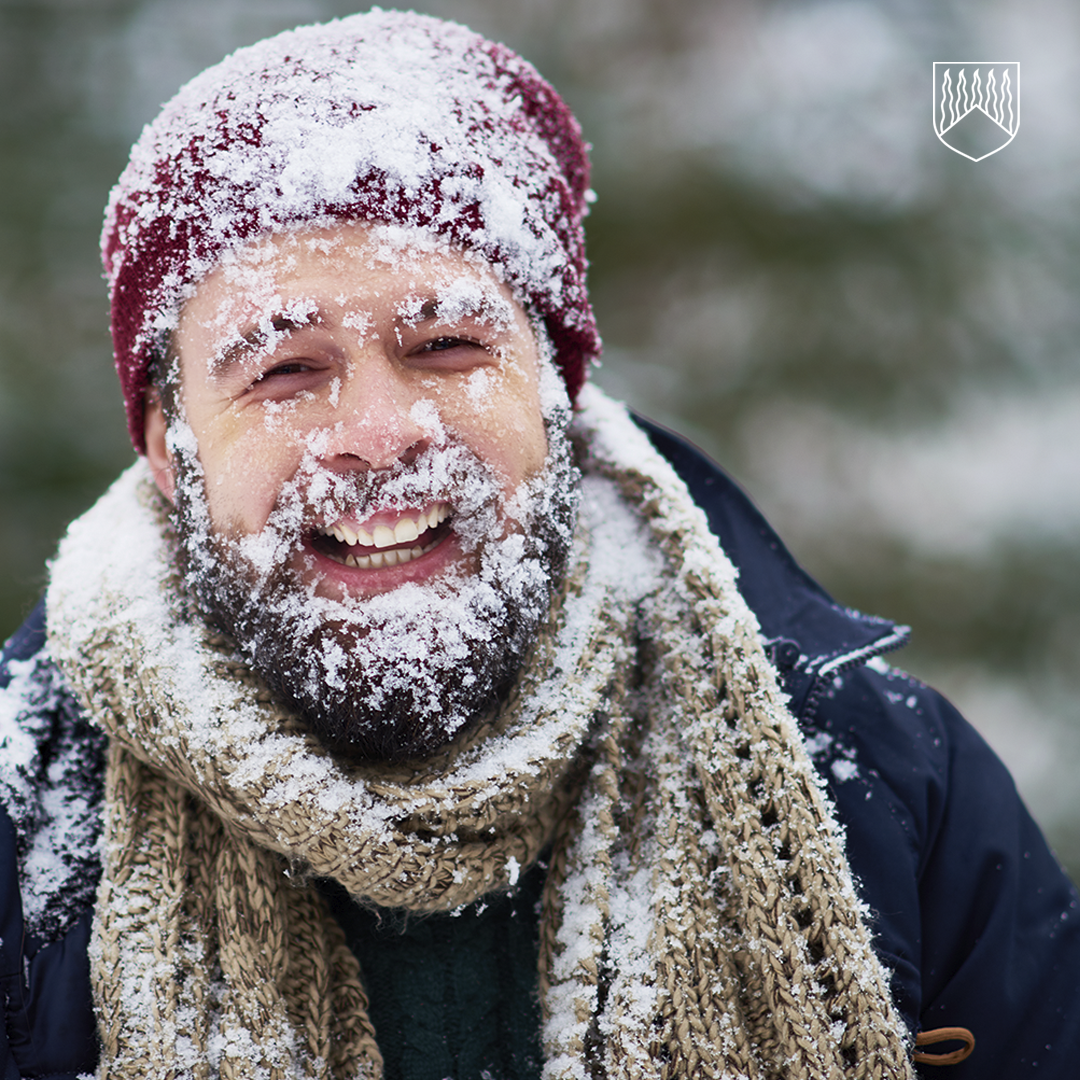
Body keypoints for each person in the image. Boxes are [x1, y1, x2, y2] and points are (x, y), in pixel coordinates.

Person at [0, 11, 1077, 1079]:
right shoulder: (20, 824)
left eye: (447, 347)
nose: (380, 434)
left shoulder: (894, 789)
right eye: (284, 371)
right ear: (164, 443)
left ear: (556, 390)